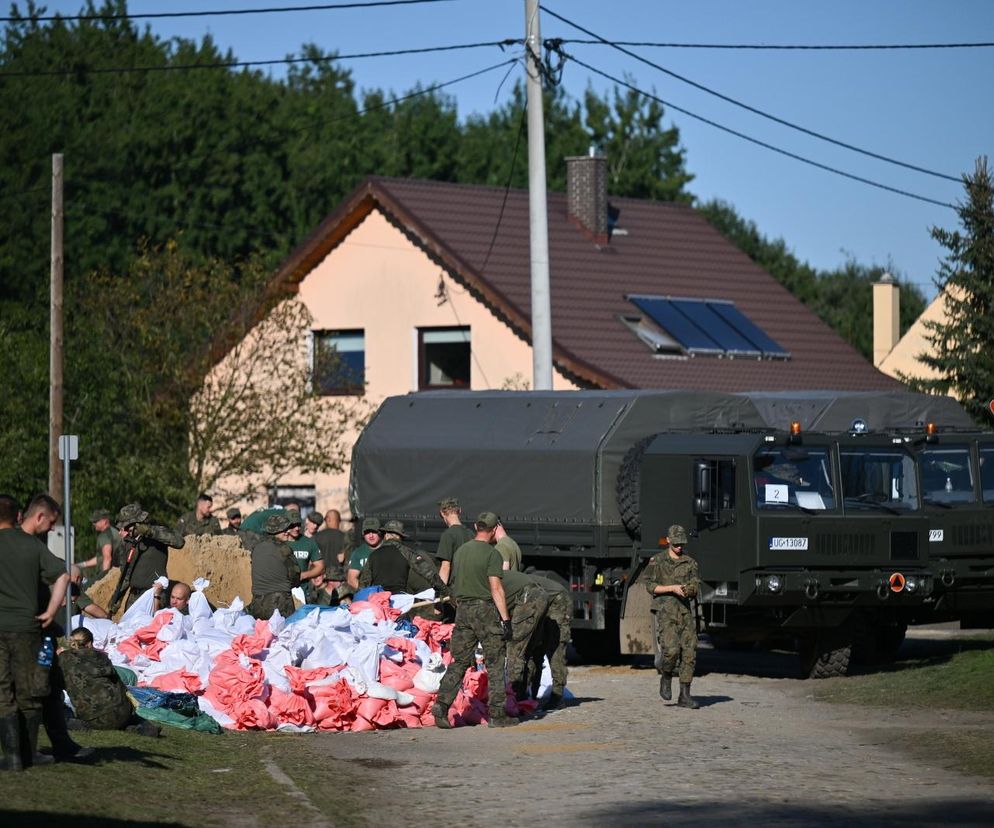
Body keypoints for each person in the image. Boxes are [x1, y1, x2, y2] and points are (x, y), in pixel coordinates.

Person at [0, 493, 71, 770]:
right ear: (17, 515)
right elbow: (63, 575)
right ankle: (28, 753)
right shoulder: (32, 545)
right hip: (27, 628)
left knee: (3, 690)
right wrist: (52, 611)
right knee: (30, 692)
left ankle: (13, 757)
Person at [432, 511, 516, 729]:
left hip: (463, 610)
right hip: (485, 610)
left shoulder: (461, 551)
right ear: (494, 529)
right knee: (495, 662)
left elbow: (455, 580)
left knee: (459, 661)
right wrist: (505, 620)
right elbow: (496, 588)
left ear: (477, 527)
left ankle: (441, 705)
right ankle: (497, 714)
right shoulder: (492, 554)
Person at [60, 628, 159, 737]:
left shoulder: (64, 658)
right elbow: (119, 685)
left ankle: (72, 722)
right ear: (89, 643)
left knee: (59, 707)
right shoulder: (102, 657)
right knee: (122, 718)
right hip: (122, 712)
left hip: (93, 717)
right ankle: (142, 727)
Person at [645, 524, 701, 709]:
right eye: (676, 544)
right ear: (668, 541)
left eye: (681, 544)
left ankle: (685, 695)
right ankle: (666, 675)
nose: (679, 547)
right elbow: (650, 586)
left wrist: (689, 590)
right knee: (671, 651)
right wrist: (672, 589)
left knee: (689, 652)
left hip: (684, 613)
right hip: (666, 612)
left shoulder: (690, 562)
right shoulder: (657, 561)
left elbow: (695, 584)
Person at [358, 520, 448, 616]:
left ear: (386, 535)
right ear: (400, 537)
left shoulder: (373, 555)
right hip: (400, 604)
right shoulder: (407, 553)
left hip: (379, 603)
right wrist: (445, 590)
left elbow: (363, 584)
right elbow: (429, 574)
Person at [116, 504, 185, 609]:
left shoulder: (156, 534)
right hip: (134, 597)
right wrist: (116, 602)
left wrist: (149, 531)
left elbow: (179, 542)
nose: (124, 531)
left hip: (155, 595)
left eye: (127, 526)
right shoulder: (127, 542)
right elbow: (125, 574)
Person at [499, 569, 550, 701]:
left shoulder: (484, 581)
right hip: (539, 595)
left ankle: (513, 697)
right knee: (528, 650)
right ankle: (525, 695)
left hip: (530, 599)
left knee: (515, 650)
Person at [525, 571, 571, 709]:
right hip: (543, 603)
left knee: (555, 649)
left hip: (558, 601)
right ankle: (530, 695)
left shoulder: (513, 587)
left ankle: (557, 696)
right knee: (535, 649)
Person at [247, 513, 301, 620]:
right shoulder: (284, 549)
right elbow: (295, 576)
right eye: (284, 529)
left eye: (287, 528)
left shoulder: (256, 547)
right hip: (280, 605)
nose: (287, 532)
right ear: (274, 531)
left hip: (257, 604)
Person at [435, 497, 473, 584]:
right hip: (471, 585)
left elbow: (445, 567)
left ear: (442, 513)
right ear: (460, 511)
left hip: (456, 587)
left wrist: (441, 591)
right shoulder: (471, 533)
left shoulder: (448, 535)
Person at [78, 509, 125, 574]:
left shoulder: (105, 536)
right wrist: (81, 565)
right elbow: (101, 558)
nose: (93, 524)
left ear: (104, 521)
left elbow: (107, 558)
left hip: (111, 575)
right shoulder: (114, 532)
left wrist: (104, 577)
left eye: (95, 521)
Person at [313, 509, 351, 583]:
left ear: (328, 519)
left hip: (321, 578)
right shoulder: (346, 538)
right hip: (340, 579)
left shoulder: (317, 537)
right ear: (339, 520)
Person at [346, 518, 384, 591]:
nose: (371, 535)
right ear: (363, 534)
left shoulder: (388, 549)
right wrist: (367, 592)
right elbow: (351, 579)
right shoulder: (358, 553)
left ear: (380, 532)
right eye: (367, 532)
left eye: (374, 532)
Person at [286, 510, 324, 581]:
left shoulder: (313, 541)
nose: (297, 528)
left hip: (304, 587)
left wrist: (304, 575)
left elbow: (320, 566)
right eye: (293, 525)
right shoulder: (279, 541)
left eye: (318, 524)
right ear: (307, 521)